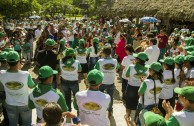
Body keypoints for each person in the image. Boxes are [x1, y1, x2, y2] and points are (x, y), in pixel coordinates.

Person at [0, 51, 35, 126]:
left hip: (9, 103)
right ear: (19, 61)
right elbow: (31, 86)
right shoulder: (26, 74)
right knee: (27, 123)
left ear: (7, 62)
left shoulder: (1, 73)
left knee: (12, 123)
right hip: (24, 104)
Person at [94, 46, 119, 117]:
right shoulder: (115, 61)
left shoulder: (100, 61)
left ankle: (101, 110)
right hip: (111, 82)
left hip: (102, 82)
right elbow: (118, 67)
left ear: (103, 53)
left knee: (100, 96)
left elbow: (95, 70)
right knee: (110, 97)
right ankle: (110, 110)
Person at [125, 52, 149, 124]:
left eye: (136, 58)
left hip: (131, 88)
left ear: (138, 60)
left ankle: (127, 117)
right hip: (141, 88)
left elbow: (126, 75)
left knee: (129, 104)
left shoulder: (131, 66)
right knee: (137, 104)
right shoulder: (148, 68)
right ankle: (135, 120)